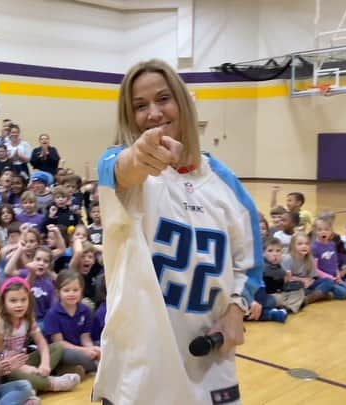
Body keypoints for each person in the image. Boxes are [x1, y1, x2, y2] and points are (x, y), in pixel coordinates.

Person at [93, 59, 262, 404]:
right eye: (140, 106)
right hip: (140, 368)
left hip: (209, 361)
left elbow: (250, 263)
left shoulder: (226, 184)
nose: (153, 112)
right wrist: (139, 155)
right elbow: (119, 169)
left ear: (183, 102)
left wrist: (235, 312)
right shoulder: (119, 168)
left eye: (163, 99)